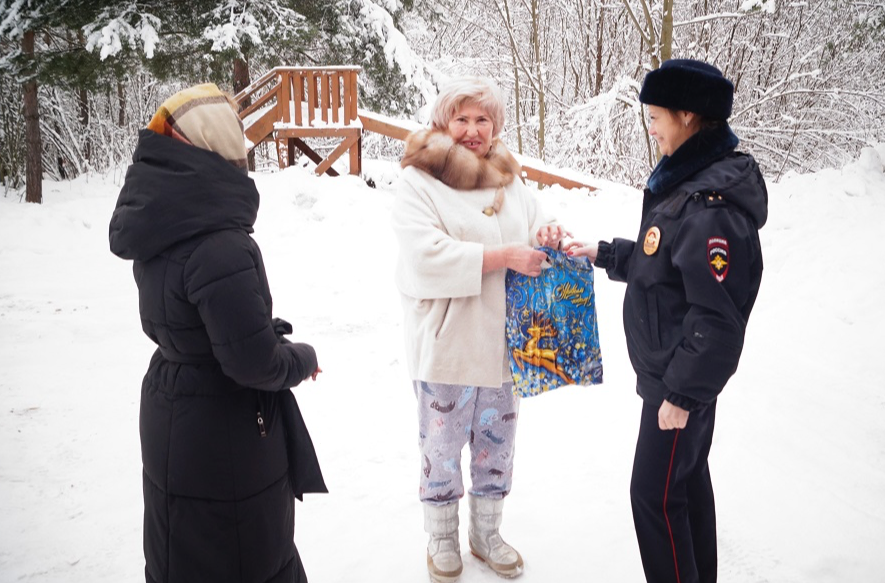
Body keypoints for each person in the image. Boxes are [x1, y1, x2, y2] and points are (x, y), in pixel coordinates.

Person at [109, 83, 326, 583]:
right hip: (224, 427)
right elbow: (252, 364)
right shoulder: (218, 242)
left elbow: (191, 322)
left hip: (172, 407)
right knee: (246, 559)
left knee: (182, 552)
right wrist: (300, 355)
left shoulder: (162, 222)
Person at [566, 59, 768, 583]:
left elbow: (718, 319)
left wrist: (679, 395)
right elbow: (666, 266)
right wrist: (605, 254)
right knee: (686, 482)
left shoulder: (709, 205)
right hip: (676, 375)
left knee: (653, 497)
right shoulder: (688, 183)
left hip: (679, 380)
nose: (650, 127)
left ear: (687, 115)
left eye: (656, 116)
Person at [392, 77, 568, 583]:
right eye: (462, 119)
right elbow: (424, 258)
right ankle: (442, 538)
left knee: (497, 445)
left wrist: (547, 232)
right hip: (447, 345)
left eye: (482, 120)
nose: (472, 130)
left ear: (496, 127)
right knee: (441, 449)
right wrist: (503, 257)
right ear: (443, 123)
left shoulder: (508, 178)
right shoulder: (419, 181)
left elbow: (533, 222)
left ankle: (486, 534)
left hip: (502, 345)